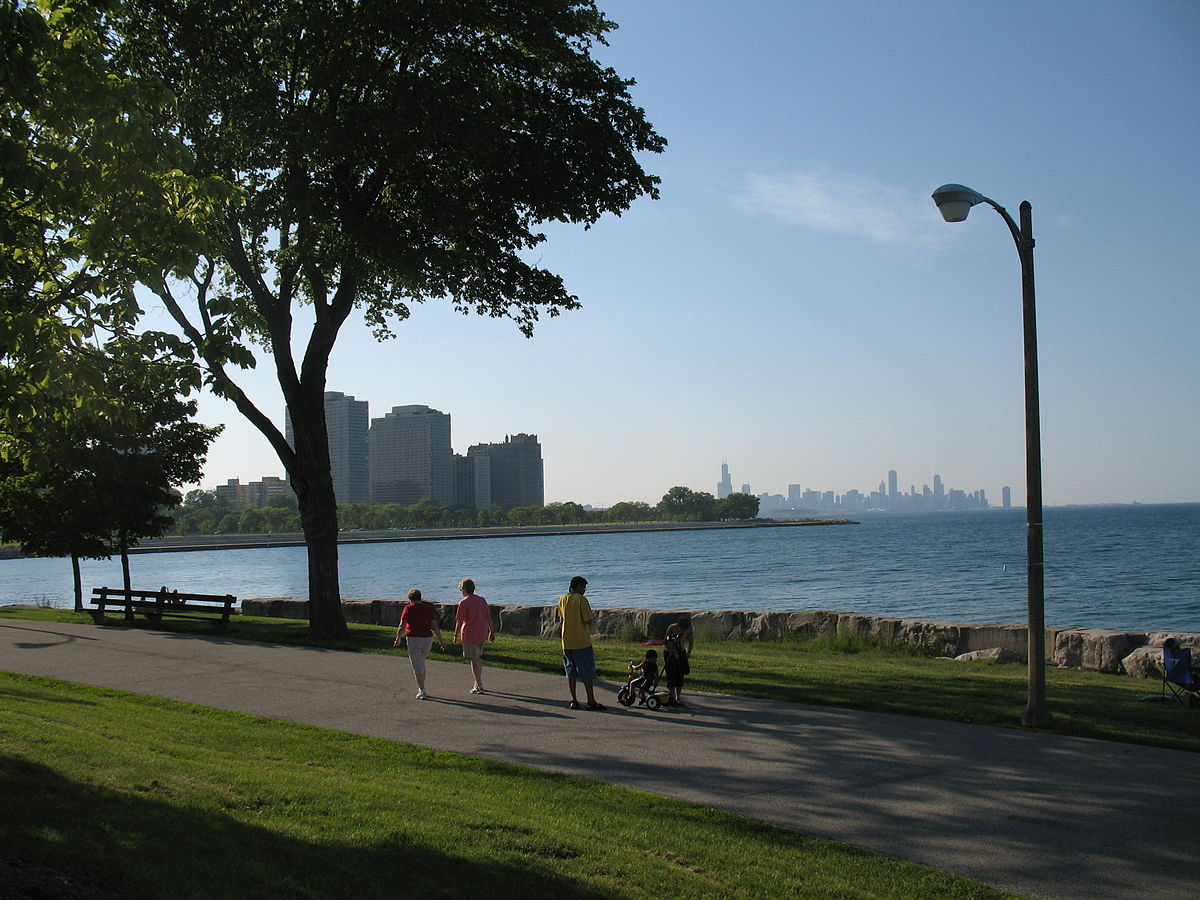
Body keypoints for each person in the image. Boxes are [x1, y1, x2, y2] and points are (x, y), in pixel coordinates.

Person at [557, 575, 604, 710]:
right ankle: (591, 700)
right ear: (578, 586)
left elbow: (561, 617)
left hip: (566, 641)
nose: (585, 590)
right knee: (587, 672)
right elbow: (588, 619)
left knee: (570, 672)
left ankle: (574, 700)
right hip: (581, 641)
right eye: (583, 587)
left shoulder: (562, 599)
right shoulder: (581, 600)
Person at [394, 588, 445, 700]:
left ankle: (422, 690)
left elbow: (402, 625)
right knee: (421, 662)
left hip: (414, 638)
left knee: (417, 665)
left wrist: (398, 638)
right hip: (427, 638)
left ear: (410, 599)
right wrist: (441, 640)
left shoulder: (408, 608)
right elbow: (434, 625)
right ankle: (421, 686)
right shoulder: (428, 608)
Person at [454, 578, 493, 694]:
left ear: (464, 590)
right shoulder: (481, 600)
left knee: (474, 658)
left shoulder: (464, 603)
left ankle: (479, 683)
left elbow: (459, 621)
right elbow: (488, 617)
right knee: (477, 658)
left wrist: (455, 634)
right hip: (481, 630)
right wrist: (492, 631)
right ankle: (477, 681)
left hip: (469, 632)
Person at [663, 616, 693, 706]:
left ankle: (678, 698)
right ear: (679, 625)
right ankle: (672, 697)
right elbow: (666, 641)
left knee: (680, 675)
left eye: (685, 629)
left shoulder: (689, 629)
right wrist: (672, 650)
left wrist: (689, 651)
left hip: (681, 652)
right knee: (671, 674)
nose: (683, 630)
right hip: (670, 653)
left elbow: (691, 640)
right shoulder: (672, 627)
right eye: (682, 628)